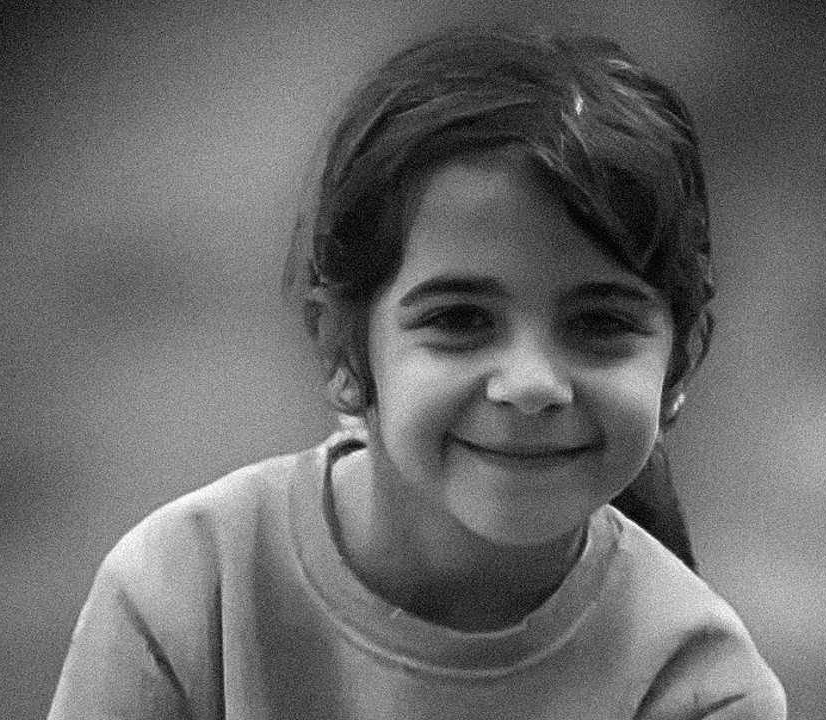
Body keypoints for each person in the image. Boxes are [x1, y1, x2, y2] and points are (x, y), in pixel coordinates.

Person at [49, 25, 784, 720]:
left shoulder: (701, 684)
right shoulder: (187, 590)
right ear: (342, 349)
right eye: (461, 318)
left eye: (601, 323)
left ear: (678, 363)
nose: (531, 384)